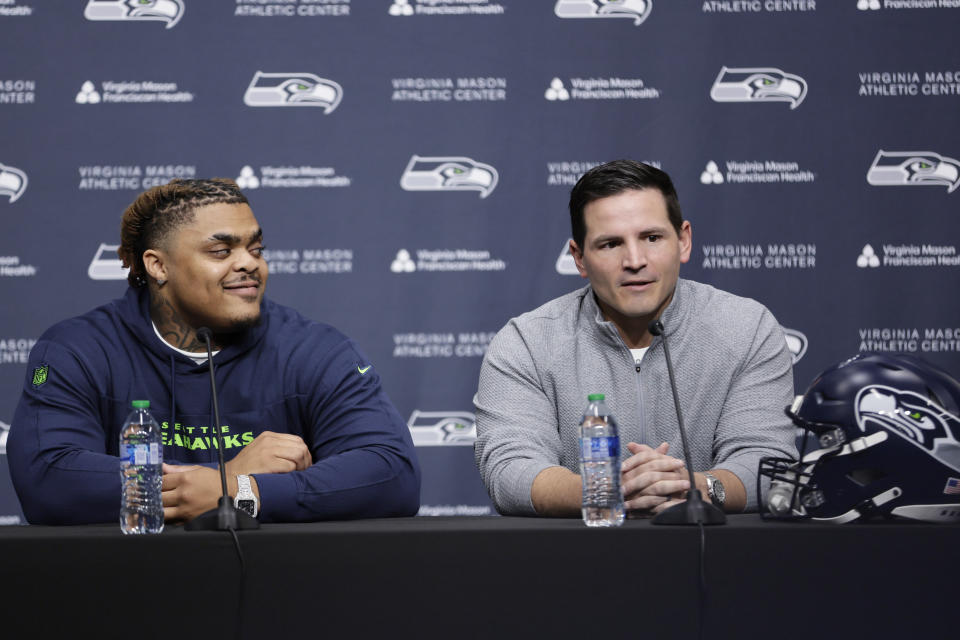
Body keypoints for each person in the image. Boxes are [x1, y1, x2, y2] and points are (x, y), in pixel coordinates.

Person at [9, 178, 420, 525]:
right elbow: (49, 477)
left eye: (255, 249)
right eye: (221, 252)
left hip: (279, 589)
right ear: (157, 266)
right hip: (125, 590)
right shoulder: (78, 349)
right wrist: (225, 476)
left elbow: (392, 474)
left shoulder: (316, 349)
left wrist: (245, 491)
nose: (249, 264)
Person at [474, 160, 796, 517]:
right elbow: (510, 472)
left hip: (714, 562)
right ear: (579, 258)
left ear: (683, 241)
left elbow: (769, 465)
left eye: (652, 238)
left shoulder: (747, 328)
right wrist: (608, 489)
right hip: (576, 562)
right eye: (610, 244)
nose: (635, 260)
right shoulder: (526, 343)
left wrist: (695, 488)